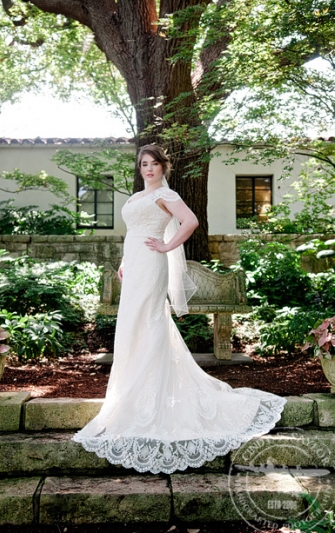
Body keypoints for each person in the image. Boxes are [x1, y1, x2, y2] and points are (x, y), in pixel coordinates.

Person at [73, 144, 285, 474]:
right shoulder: (134, 199)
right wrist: (125, 261)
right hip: (135, 267)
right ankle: (130, 395)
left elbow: (191, 221)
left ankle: (150, 398)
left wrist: (167, 246)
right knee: (132, 325)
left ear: (163, 167)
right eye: (143, 164)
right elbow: (132, 233)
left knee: (151, 321)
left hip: (153, 264)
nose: (148, 169)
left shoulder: (166, 196)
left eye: (154, 164)